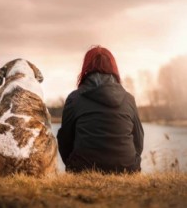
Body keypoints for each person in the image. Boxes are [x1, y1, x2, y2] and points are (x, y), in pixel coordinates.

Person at [57, 46, 144, 174]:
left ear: (86, 68)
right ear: (113, 68)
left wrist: (73, 165)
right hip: (127, 169)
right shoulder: (128, 99)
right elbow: (139, 140)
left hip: (83, 169)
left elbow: (65, 140)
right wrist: (131, 163)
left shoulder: (74, 99)